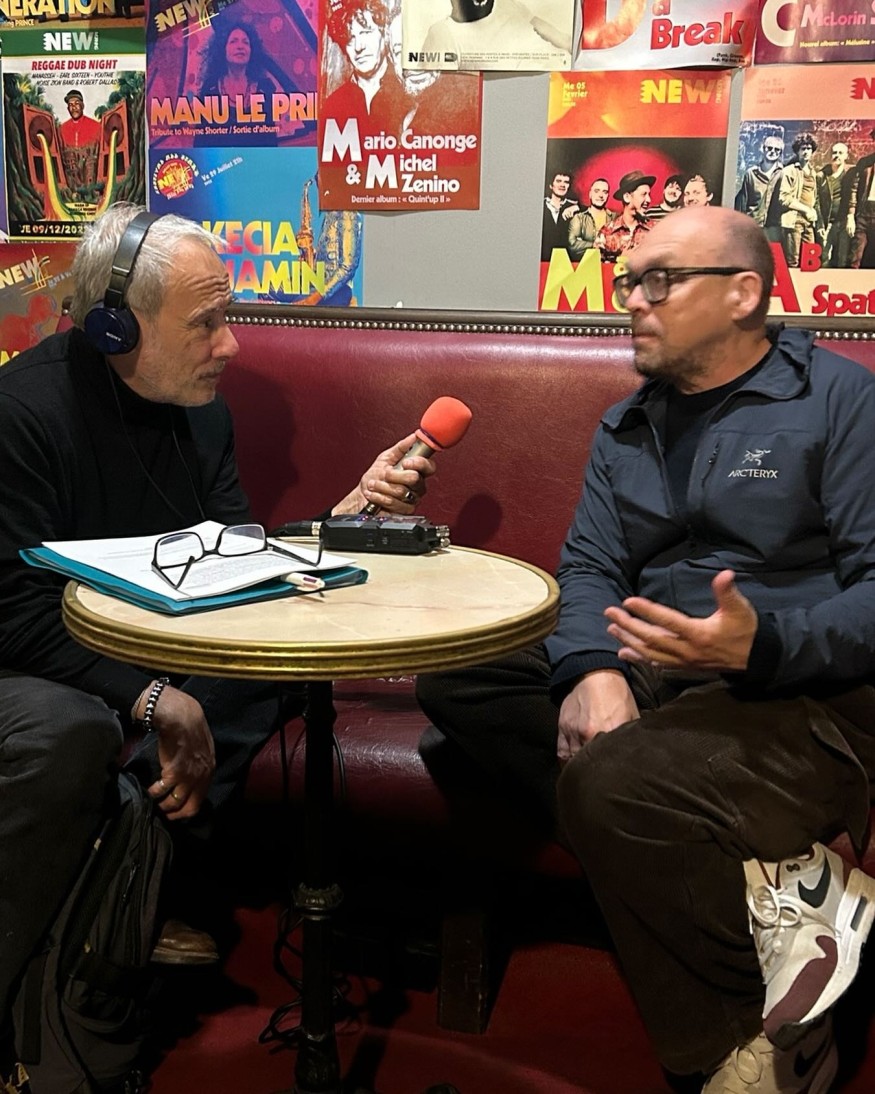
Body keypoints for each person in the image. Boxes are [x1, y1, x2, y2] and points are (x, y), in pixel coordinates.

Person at [417, 205, 875, 1091]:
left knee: (606, 782)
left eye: (659, 281)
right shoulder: (626, 423)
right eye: (629, 281)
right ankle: (780, 891)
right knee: (458, 681)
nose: (632, 300)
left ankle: (740, 1045)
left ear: (743, 293)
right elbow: (588, 565)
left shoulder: (841, 401)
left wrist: (762, 645)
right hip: (653, 665)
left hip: (798, 692)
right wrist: (591, 671)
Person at [0, 203, 435, 1091]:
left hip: (153, 642)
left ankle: (128, 876)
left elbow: (235, 561)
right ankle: (115, 904)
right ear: (116, 327)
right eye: (205, 323)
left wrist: (342, 516)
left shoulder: (201, 413)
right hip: (39, 657)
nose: (230, 345)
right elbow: (11, 611)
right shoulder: (21, 415)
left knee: (273, 672)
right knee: (79, 725)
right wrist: (153, 699)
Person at [321, 0, 409, 145]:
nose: (358, 47)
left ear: (385, 34)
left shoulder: (409, 96)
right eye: (350, 38)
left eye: (366, 32)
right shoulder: (334, 105)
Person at [195, 19, 281, 146]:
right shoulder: (210, 88)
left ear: (252, 51)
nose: (240, 46)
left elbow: (270, 142)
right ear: (223, 49)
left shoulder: (265, 87)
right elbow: (201, 141)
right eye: (233, 41)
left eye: (245, 42)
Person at [420, 0, 571, 71]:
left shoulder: (507, 5)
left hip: (565, 78)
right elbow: (445, 98)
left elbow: (560, 38)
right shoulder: (442, 34)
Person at [765, 132, 823, 268]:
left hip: (809, 222)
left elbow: (815, 199)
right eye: (803, 149)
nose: (806, 152)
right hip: (793, 221)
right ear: (797, 151)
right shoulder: (789, 171)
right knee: (792, 262)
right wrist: (806, 209)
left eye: (809, 148)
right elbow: (784, 198)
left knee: (809, 261)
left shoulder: (814, 173)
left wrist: (815, 217)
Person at [598, 169, 653, 262]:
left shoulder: (654, 230)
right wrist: (620, 259)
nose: (649, 200)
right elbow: (596, 267)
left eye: (649, 195)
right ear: (627, 197)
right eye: (644, 194)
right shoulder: (607, 232)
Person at [817, 142, 854, 268]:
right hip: (828, 223)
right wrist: (820, 224)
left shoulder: (851, 174)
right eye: (834, 152)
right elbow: (816, 201)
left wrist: (851, 217)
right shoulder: (822, 176)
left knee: (842, 259)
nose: (837, 155)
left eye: (840, 153)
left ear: (846, 156)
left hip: (843, 222)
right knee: (824, 257)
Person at [735, 133, 784, 225]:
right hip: (753, 224)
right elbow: (743, 203)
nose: (773, 151)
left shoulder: (783, 174)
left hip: (774, 226)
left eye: (777, 149)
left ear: (780, 153)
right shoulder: (751, 174)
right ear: (763, 149)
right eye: (769, 148)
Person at [57, 89, 101, 189]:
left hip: (91, 178)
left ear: (82, 105)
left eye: (76, 104)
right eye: (70, 105)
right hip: (71, 179)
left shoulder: (96, 126)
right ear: (68, 108)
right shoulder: (61, 129)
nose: (74, 108)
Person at [846, 128, 875, 269]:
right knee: (855, 258)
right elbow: (854, 189)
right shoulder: (865, 163)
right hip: (864, 213)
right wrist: (851, 215)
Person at [567, 178, 613, 258]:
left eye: (605, 192)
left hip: (609, 264)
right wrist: (594, 245)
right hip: (585, 264)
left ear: (608, 196)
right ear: (590, 194)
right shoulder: (579, 218)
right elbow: (572, 244)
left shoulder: (615, 218)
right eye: (596, 191)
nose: (601, 195)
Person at [541, 171, 579, 262]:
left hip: (565, 260)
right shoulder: (541, 204)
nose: (562, 185)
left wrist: (577, 207)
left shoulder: (573, 206)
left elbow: (590, 209)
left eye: (566, 182)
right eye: (558, 181)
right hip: (543, 259)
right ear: (551, 185)